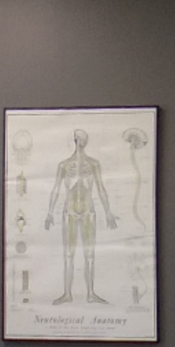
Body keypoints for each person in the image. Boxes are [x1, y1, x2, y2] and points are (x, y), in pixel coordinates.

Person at [44, 129, 118, 304]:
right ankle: (67, 294)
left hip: (88, 211)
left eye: (85, 138)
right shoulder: (63, 165)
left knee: (89, 254)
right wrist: (49, 212)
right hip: (69, 211)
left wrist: (108, 211)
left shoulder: (93, 164)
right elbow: (55, 189)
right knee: (68, 255)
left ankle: (91, 293)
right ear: (76, 140)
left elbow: (100, 188)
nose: (83, 141)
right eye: (81, 139)